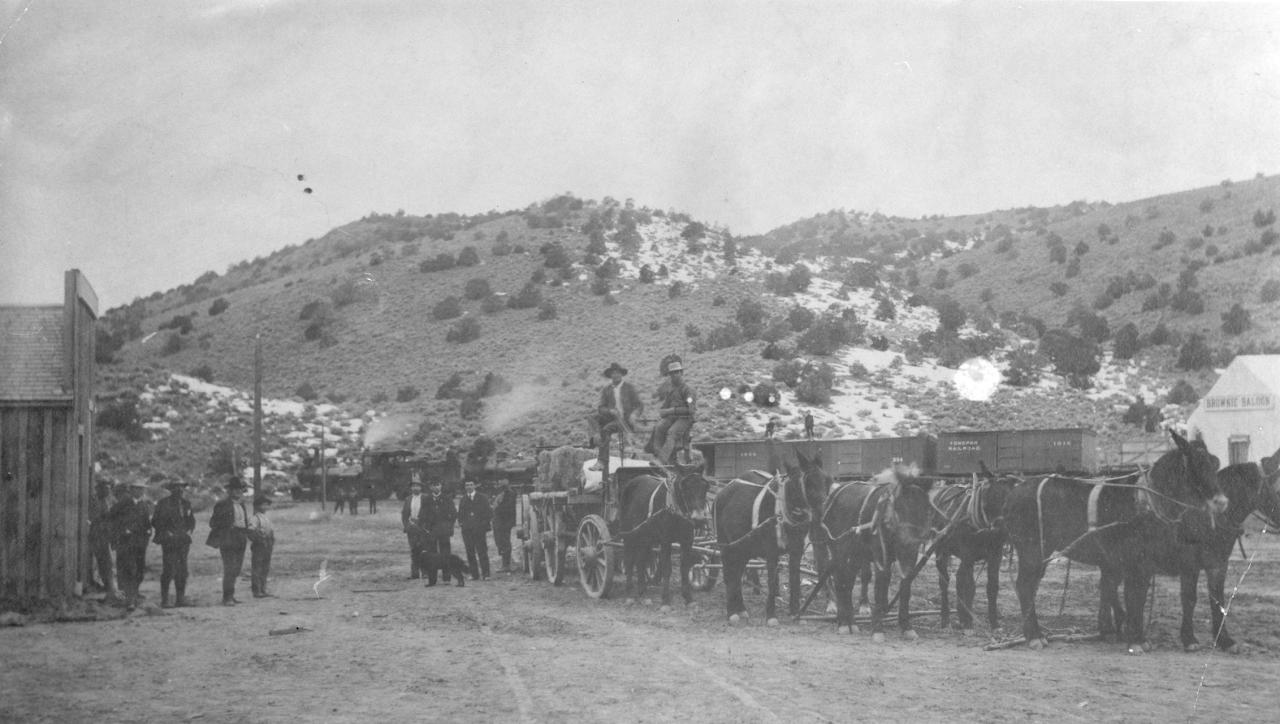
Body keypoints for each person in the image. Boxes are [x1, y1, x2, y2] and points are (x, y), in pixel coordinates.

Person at [206, 476, 252, 606]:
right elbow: (213, 522)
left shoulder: (242, 504)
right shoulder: (222, 504)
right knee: (229, 568)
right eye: (235, 490)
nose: (238, 492)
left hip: (241, 537)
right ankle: (227, 598)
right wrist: (227, 528)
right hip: (228, 538)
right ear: (229, 491)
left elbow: (245, 521)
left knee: (237, 568)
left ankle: (231, 595)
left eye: (240, 490)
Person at [151, 480, 195, 608]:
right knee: (169, 569)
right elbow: (155, 521)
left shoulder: (186, 504)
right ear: (171, 490)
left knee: (182, 570)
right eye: (176, 488)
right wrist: (166, 532)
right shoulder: (163, 503)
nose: (180, 490)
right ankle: (164, 600)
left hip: (183, 540)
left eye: (181, 488)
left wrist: (189, 530)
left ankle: (180, 598)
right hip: (169, 541)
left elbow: (191, 520)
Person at [592, 362, 644, 471]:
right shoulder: (607, 390)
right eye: (613, 373)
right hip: (612, 419)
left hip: (625, 420)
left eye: (617, 373)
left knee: (606, 429)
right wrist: (610, 411)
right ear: (610, 375)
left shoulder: (629, 388)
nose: (615, 375)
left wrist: (634, 414)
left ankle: (602, 461)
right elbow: (601, 407)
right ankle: (596, 440)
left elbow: (639, 405)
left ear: (621, 374)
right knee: (594, 418)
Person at [108, 480, 152, 609]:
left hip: (139, 543)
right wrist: (122, 531)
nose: (140, 492)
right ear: (131, 490)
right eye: (137, 489)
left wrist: (148, 532)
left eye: (142, 489)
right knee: (127, 571)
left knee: (139, 570)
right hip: (125, 543)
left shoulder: (143, 505)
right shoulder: (122, 504)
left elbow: (146, 523)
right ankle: (127, 599)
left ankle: (134, 594)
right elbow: (111, 520)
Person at [649, 359, 696, 465]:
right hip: (673, 417)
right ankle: (658, 455)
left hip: (685, 419)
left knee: (672, 432)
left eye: (676, 372)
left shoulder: (688, 390)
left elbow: (690, 410)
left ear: (681, 373)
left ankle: (661, 461)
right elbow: (666, 404)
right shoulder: (671, 390)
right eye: (672, 373)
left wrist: (671, 410)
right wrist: (662, 411)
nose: (674, 375)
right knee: (659, 427)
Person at [420, 479, 457, 586]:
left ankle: (447, 578)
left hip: (444, 531)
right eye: (433, 485)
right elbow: (422, 515)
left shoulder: (447, 498)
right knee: (432, 555)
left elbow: (453, 514)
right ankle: (432, 580)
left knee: (445, 553)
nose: (436, 487)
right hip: (431, 531)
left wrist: (449, 526)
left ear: (441, 486)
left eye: (438, 485)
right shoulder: (427, 499)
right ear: (430, 487)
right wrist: (425, 528)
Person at [88, 478, 118, 600]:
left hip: (107, 535)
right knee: (102, 562)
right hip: (97, 534)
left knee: (108, 562)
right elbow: (93, 517)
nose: (107, 491)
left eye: (109, 489)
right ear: (98, 489)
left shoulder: (110, 500)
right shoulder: (93, 500)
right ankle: (108, 587)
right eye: (105, 489)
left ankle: (110, 587)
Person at [457, 480, 492, 581]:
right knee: (470, 552)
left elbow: (488, 512)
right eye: (467, 485)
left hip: (479, 530)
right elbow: (460, 514)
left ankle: (486, 574)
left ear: (475, 486)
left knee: (482, 551)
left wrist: (483, 524)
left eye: (471, 485)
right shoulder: (463, 499)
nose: (469, 487)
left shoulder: (482, 498)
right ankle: (474, 574)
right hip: (467, 531)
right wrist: (462, 523)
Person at [401, 475, 428, 579]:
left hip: (423, 527)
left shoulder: (425, 498)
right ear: (411, 488)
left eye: (417, 486)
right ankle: (414, 573)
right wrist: (407, 525)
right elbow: (404, 514)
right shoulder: (408, 499)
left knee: (424, 550)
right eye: (413, 486)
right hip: (411, 528)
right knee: (413, 550)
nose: (415, 488)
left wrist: (424, 525)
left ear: (421, 488)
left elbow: (429, 513)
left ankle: (425, 572)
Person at [249, 496, 276, 598]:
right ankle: (257, 590)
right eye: (263, 504)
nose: (266, 507)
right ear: (257, 506)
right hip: (259, 545)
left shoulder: (266, 518)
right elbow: (251, 531)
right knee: (257, 567)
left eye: (267, 505)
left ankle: (263, 588)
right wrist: (258, 540)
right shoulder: (255, 518)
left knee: (265, 567)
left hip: (268, 544)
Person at [490, 478, 517, 573]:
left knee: (505, 542)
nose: (500, 482)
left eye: (503, 480)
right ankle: (504, 564)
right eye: (499, 481)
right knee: (500, 542)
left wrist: (496, 508)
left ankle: (506, 565)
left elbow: (507, 508)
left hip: (505, 522)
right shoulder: (500, 493)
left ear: (507, 481)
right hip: (498, 522)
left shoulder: (510, 494)